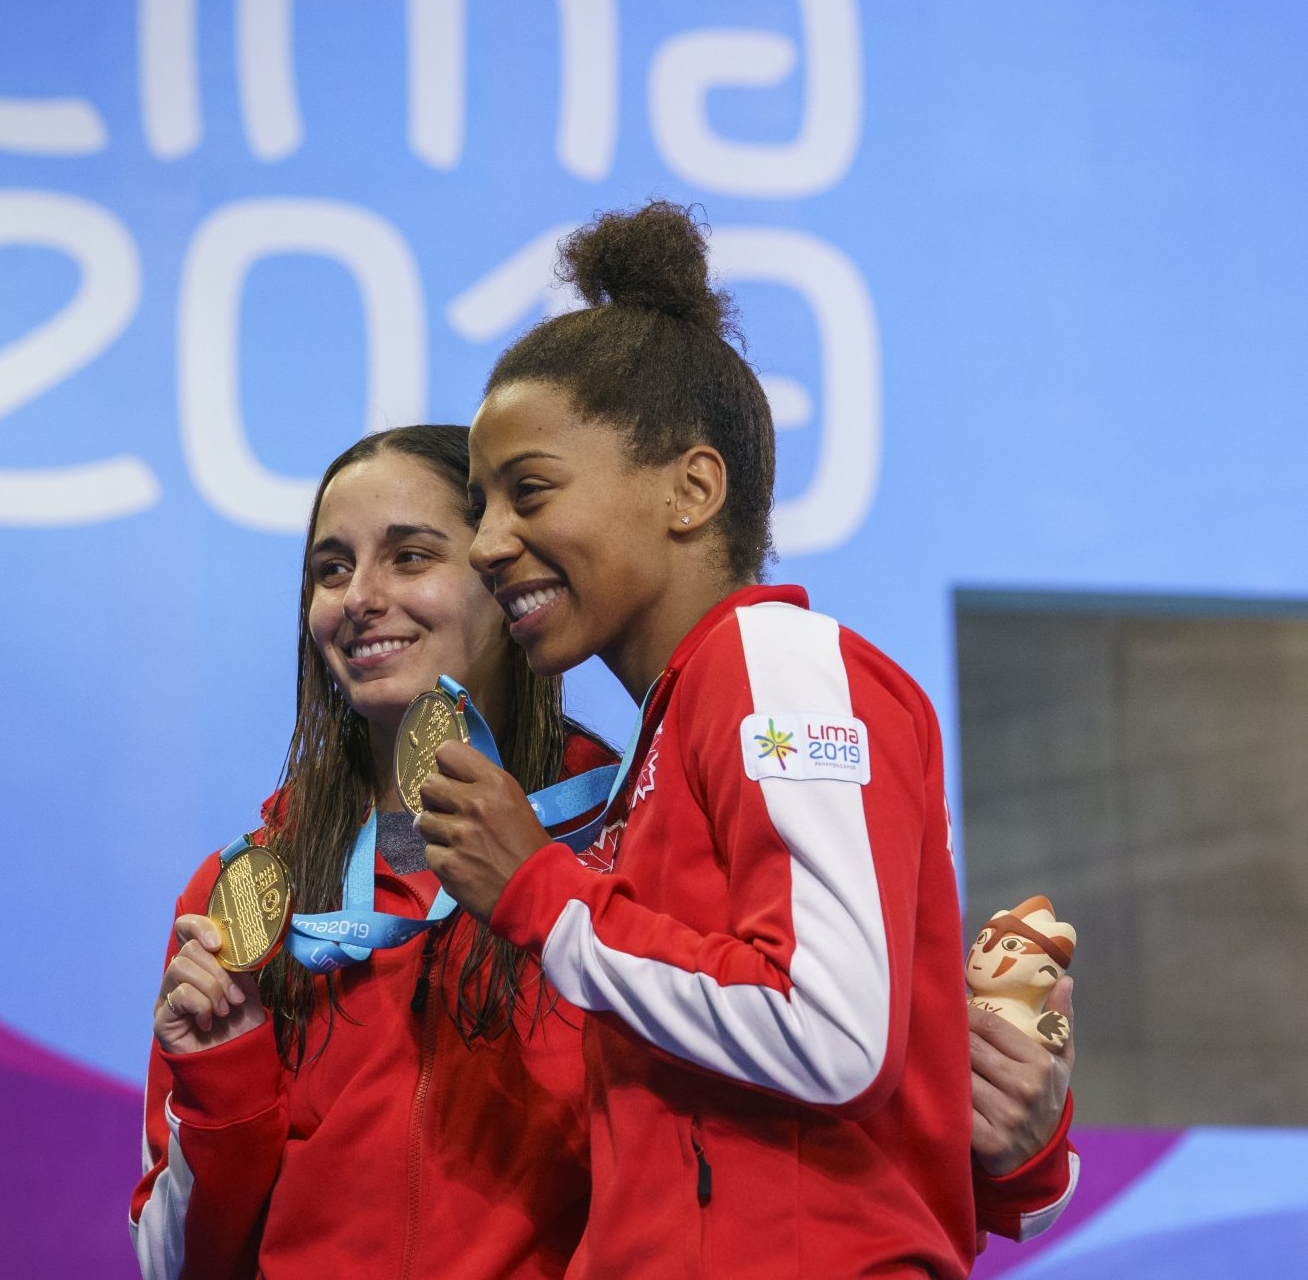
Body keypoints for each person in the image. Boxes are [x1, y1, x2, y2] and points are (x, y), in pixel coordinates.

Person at [130, 425, 1074, 1280]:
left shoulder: (641, 836)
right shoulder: (248, 891)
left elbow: (814, 1137)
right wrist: (223, 1086)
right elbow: (175, 1265)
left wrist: (1021, 1148)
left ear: (504, 580)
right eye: (330, 571)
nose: (360, 600)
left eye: (410, 556)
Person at [415, 202, 1077, 1278]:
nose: (489, 543)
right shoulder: (673, 731)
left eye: (527, 491)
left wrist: (537, 889)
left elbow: (821, 1025)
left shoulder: (773, 662)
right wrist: (1020, 1149)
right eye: (481, 503)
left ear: (691, 488)